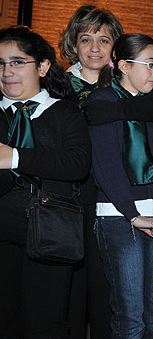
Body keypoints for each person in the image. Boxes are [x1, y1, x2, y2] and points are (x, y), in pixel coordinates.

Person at [59, 4, 153, 339]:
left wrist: (114, 107)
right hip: (88, 203)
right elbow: (104, 159)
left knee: (124, 305)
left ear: (117, 51)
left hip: (139, 203)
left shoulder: (136, 92)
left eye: (104, 39)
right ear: (74, 44)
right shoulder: (60, 86)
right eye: (86, 39)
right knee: (95, 299)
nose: (95, 47)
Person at [87, 33, 153, 339]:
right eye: (150, 64)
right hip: (119, 218)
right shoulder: (102, 103)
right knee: (131, 320)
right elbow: (106, 167)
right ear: (124, 66)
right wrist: (132, 214)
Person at [0, 26, 92, 338]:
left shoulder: (65, 112)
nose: (7, 72)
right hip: (2, 235)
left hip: (52, 235)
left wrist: (15, 158)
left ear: (42, 66)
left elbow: (78, 164)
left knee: (46, 324)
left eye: (17, 62)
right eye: (0, 63)